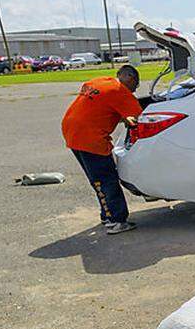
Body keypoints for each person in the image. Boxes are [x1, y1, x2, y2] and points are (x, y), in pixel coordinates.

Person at [61, 65, 142, 234]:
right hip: (90, 138)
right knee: (107, 179)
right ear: (131, 79)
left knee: (97, 180)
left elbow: (101, 108)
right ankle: (116, 221)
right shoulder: (121, 92)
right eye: (137, 84)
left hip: (71, 131)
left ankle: (107, 215)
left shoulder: (99, 81)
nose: (136, 90)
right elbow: (140, 118)